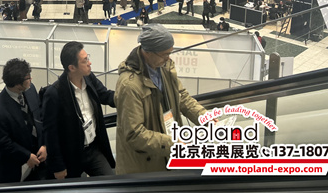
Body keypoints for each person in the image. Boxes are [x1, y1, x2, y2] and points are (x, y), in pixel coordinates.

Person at [114, 24, 210, 174]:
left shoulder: (164, 67)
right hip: (145, 165)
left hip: (167, 150)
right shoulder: (129, 85)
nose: (168, 58)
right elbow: (134, 134)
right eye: (165, 54)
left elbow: (181, 96)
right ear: (148, 52)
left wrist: (204, 117)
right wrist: (173, 143)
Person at [42, 41, 116, 179]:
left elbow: (105, 95)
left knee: (109, 182)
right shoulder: (54, 94)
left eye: (88, 58)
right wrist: (58, 166)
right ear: (72, 67)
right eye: (85, 60)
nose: (90, 63)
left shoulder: (89, 78)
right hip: (71, 155)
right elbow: (51, 134)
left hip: (93, 149)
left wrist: (127, 98)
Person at [0, 58, 47, 183]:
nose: (31, 79)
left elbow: (40, 118)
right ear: (17, 84)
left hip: (40, 160)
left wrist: (44, 144)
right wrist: (26, 156)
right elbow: (3, 142)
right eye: (28, 78)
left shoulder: (30, 90)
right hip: (16, 169)